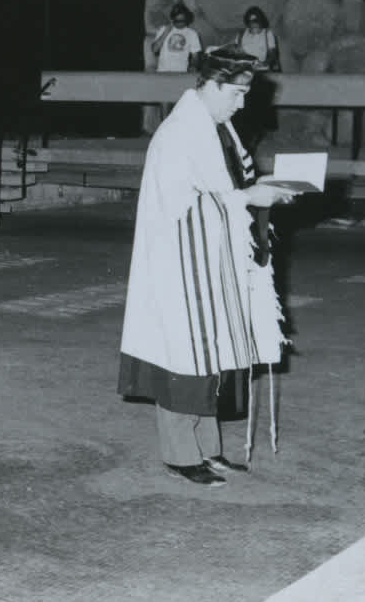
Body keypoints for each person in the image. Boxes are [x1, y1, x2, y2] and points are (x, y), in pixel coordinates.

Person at [118, 47, 295, 486]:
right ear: (211, 85)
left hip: (213, 258)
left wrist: (264, 187)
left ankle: (209, 449)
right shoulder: (180, 132)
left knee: (211, 354)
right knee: (186, 354)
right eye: (235, 93)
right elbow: (182, 203)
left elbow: (227, 185)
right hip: (183, 263)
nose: (240, 103)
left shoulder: (217, 128)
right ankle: (180, 455)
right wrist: (247, 199)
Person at [151, 2, 202, 73]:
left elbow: (195, 57)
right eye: (177, 21)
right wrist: (166, 33)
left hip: (181, 74)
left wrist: (193, 66)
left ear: (187, 19)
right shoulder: (163, 29)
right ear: (172, 19)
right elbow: (154, 50)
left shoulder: (192, 34)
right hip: (162, 73)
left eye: (182, 21)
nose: (180, 23)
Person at [237, 6, 280, 71]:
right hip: (243, 67)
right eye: (250, 21)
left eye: (255, 21)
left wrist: (264, 64)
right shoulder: (242, 33)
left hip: (260, 68)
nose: (253, 24)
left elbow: (272, 55)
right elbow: (234, 51)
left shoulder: (267, 33)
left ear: (261, 20)